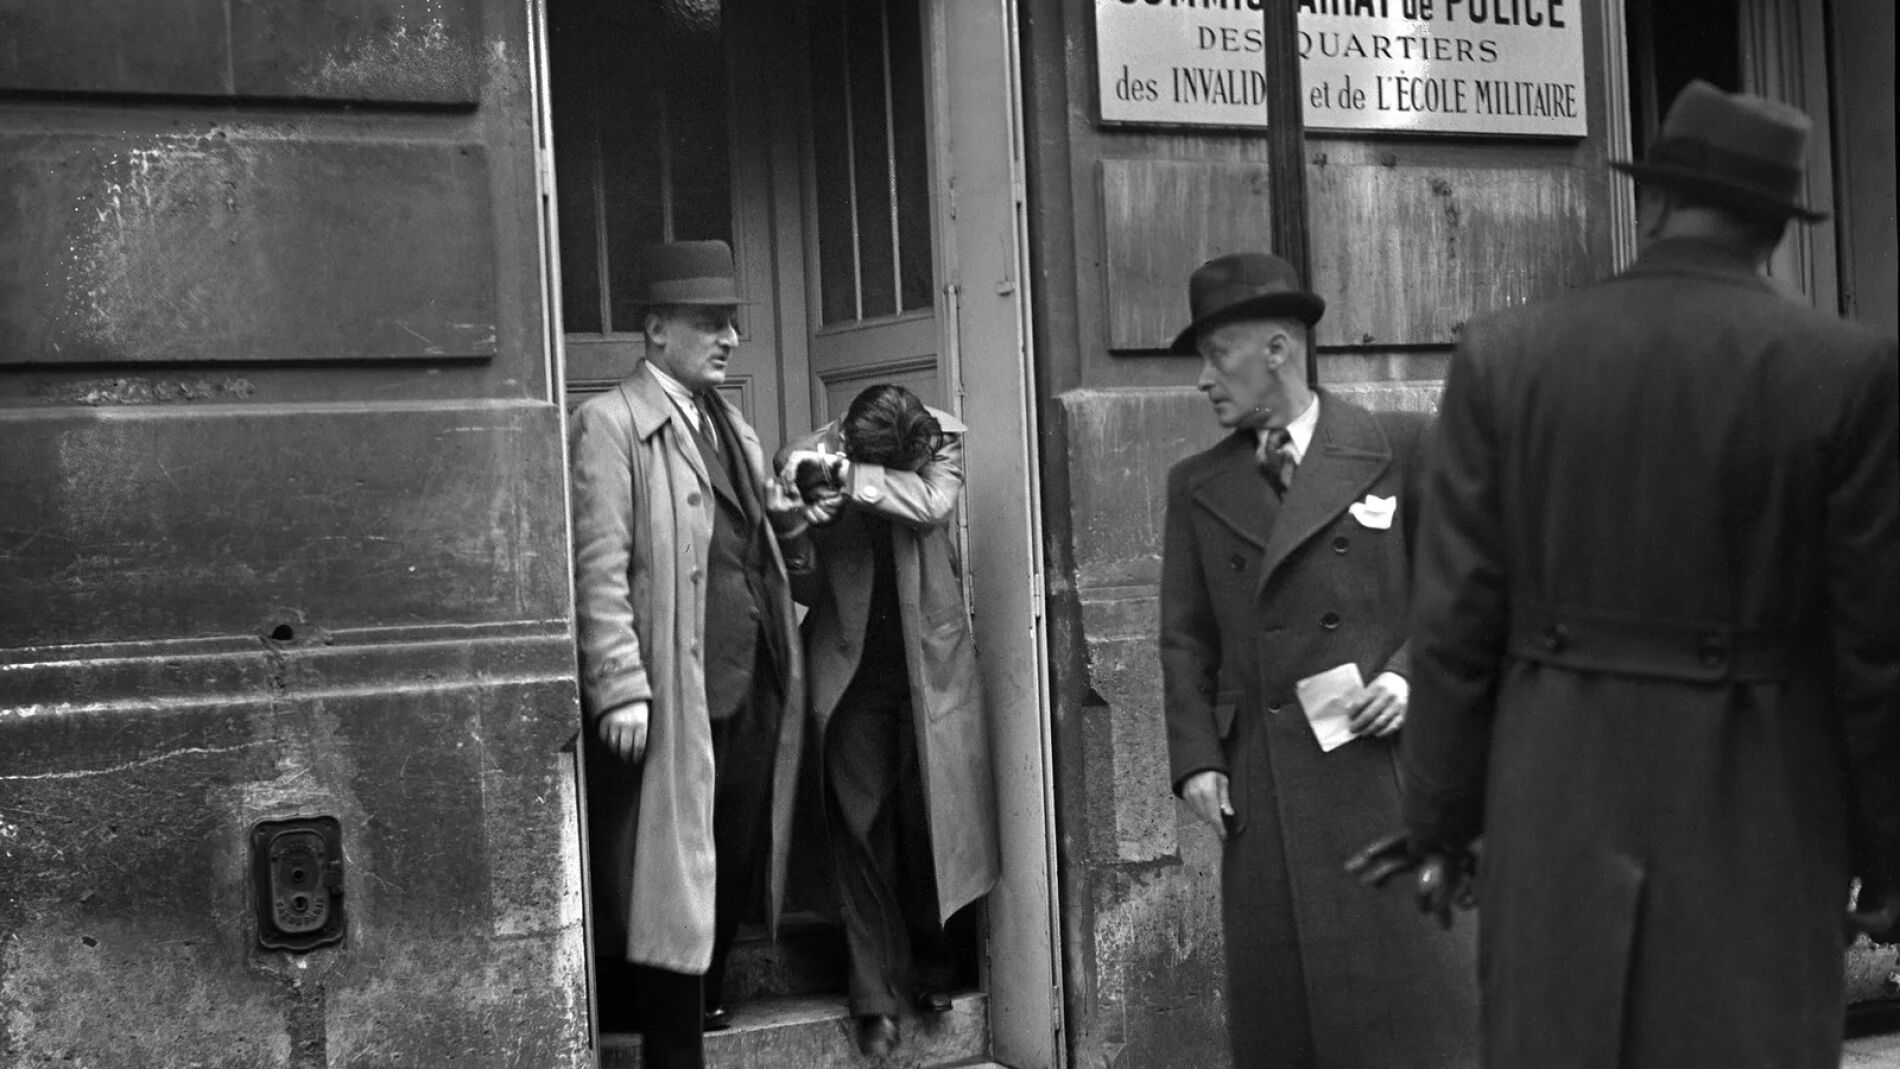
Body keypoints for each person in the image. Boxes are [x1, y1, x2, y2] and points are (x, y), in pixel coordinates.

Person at [1353, 81, 1900, 1067]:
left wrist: (1439, 822)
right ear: (1776, 226)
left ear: (1653, 204)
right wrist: (1887, 851)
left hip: (1556, 793)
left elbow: (1455, 624)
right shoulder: (1846, 370)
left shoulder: (1505, 356)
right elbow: (1875, 646)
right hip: (1759, 801)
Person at [1160, 252, 1479, 1067]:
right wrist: (1197, 759)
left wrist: (1408, 674)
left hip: (1390, 774)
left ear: (1277, 350)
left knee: (1418, 1011)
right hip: (1266, 787)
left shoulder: (1399, 445)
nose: (1203, 379)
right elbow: (1185, 637)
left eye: (1216, 354)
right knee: (1290, 1020)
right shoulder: (1194, 484)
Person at [569, 240, 812, 1067]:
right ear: (655, 329)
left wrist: (794, 514)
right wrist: (619, 686)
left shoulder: (729, 423)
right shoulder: (610, 424)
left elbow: (757, 543)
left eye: (731, 322)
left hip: (751, 683)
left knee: (729, 858)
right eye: (710, 322)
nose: (730, 338)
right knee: (667, 881)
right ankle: (672, 1049)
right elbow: (598, 567)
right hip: (675, 691)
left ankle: (703, 1000)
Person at [776, 384, 1000, 1057]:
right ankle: (873, 994)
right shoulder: (803, 457)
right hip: (850, 678)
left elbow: (931, 504)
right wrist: (798, 523)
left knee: (930, 823)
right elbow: (804, 584)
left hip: (930, 670)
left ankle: (932, 966)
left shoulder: (940, 438)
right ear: (848, 436)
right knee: (860, 829)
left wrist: (847, 479)